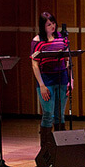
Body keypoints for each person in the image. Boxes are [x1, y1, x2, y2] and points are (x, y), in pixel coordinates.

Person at [31, 12, 71, 152]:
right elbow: (35, 65)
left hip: (61, 78)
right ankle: (46, 150)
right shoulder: (38, 40)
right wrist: (41, 85)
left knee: (60, 115)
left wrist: (70, 79)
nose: (52, 26)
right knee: (48, 114)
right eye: (49, 24)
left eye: (53, 23)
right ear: (43, 26)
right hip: (46, 80)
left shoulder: (62, 38)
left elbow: (67, 60)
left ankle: (61, 149)